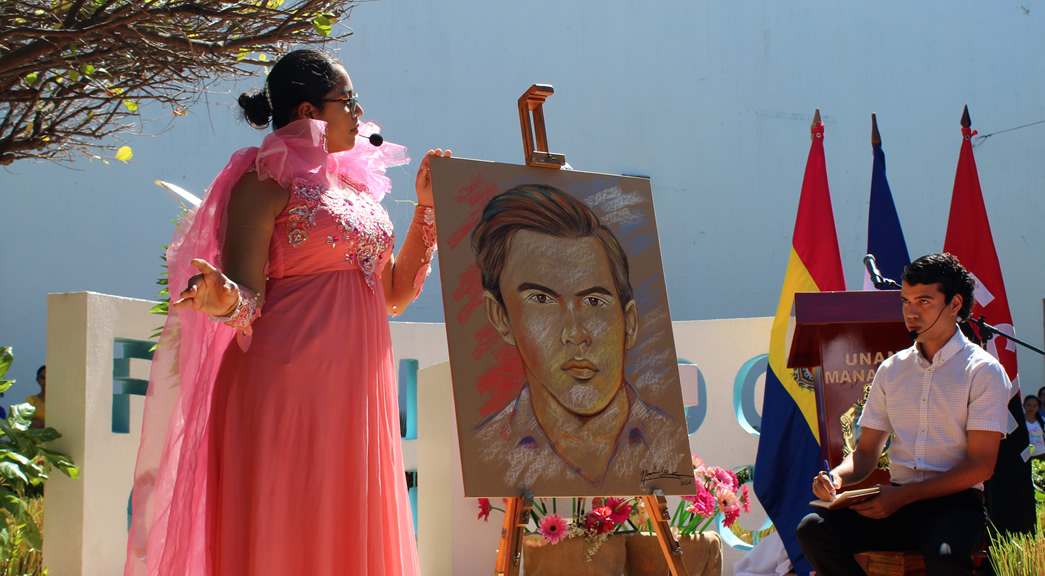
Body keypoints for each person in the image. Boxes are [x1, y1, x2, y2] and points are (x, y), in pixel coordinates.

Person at [124, 49, 448, 576]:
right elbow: (246, 296)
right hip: (286, 393)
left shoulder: (359, 188)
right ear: (307, 111)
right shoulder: (263, 183)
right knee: (287, 541)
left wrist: (428, 210)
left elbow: (392, 295)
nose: (360, 113)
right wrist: (221, 298)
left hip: (356, 400)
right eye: (350, 101)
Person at [796, 253, 1010, 576]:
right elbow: (866, 452)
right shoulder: (892, 370)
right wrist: (837, 477)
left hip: (955, 505)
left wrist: (903, 496)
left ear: (954, 304)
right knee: (813, 529)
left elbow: (982, 465)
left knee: (946, 557)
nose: (911, 311)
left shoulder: (983, 371)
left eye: (924, 301)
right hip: (897, 504)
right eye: (906, 300)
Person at [470, 184, 684, 489]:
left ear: (631, 323)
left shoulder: (671, 444)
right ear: (501, 317)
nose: (576, 334)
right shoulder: (484, 454)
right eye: (542, 300)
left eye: (594, 301)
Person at [1023, 394, 1045, 461]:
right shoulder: (1019, 421)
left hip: (1041, 454)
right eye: (1029, 405)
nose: (1031, 408)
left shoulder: (1043, 421)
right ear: (1024, 406)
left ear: (1038, 407)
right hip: (1024, 455)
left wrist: (1037, 445)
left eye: (1034, 406)